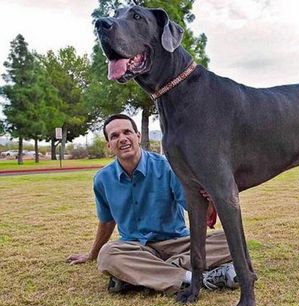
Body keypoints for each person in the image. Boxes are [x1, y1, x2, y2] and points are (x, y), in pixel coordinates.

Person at [66, 114, 237, 294]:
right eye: (114, 136)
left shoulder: (168, 167)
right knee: (108, 255)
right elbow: (107, 222)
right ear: (109, 145)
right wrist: (93, 254)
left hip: (177, 243)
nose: (122, 139)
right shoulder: (102, 179)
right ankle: (192, 278)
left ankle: (143, 276)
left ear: (138, 136)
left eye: (127, 132)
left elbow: (199, 212)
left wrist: (210, 197)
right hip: (136, 248)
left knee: (230, 240)